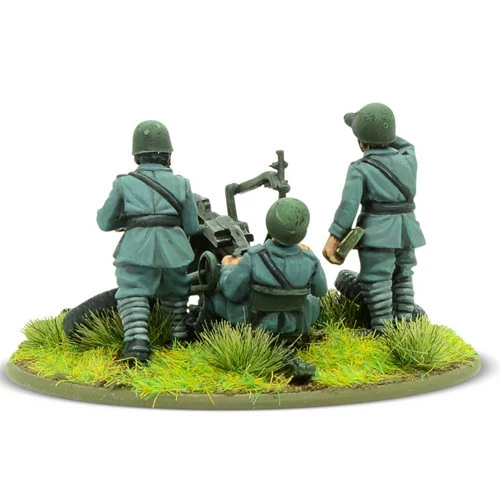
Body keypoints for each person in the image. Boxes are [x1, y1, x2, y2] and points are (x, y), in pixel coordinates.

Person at [97, 120, 199, 361]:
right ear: (168, 155)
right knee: (175, 293)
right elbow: (192, 227)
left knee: (133, 291)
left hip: (136, 249)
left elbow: (104, 222)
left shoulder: (124, 183)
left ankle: (137, 343)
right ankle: (178, 336)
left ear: (137, 156)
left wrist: (128, 219)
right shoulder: (182, 183)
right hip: (174, 249)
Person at [323, 103, 426, 334]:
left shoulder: (359, 168)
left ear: (362, 142)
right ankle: (404, 325)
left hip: (378, 233)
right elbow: (405, 143)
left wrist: (335, 236)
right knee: (403, 277)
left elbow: (348, 206)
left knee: (376, 280)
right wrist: (379, 128)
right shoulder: (408, 158)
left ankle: (382, 330)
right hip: (408, 231)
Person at [197, 197, 328, 378]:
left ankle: (200, 335)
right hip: (294, 322)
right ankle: (290, 341)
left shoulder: (253, 257)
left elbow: (232, 292)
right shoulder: (310, 259)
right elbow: (320, 291)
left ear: (270, 223)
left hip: (254, 321)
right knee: (311, 300)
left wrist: (228, 267)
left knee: (213, 295)